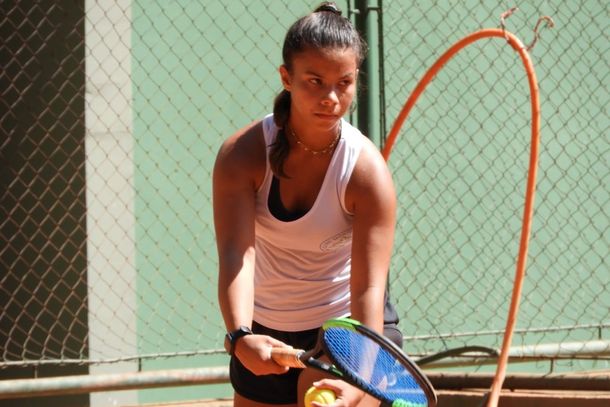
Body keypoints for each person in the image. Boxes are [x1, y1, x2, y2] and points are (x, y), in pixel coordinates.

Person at [213, 2, 400, 406]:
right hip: (265, 327)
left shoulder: (367, 173)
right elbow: (236, 254)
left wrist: (361, 372)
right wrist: (240, 336)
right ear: (287, 78)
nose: (331, 97)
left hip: (346, 332)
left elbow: (369, 286)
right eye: (314, 80)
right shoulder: (242, 155)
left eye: (344, 83)